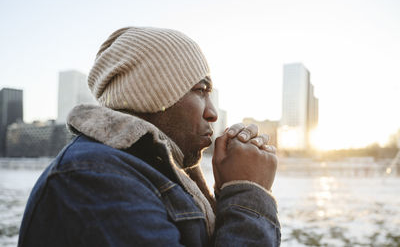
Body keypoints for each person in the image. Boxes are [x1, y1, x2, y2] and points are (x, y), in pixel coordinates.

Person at [18, 27, 280, 246]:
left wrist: (228, 194)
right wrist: (247, 194)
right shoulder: (93, 179)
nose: (212, 113)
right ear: (154, 94)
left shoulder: (139, 171)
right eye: (201, 90)